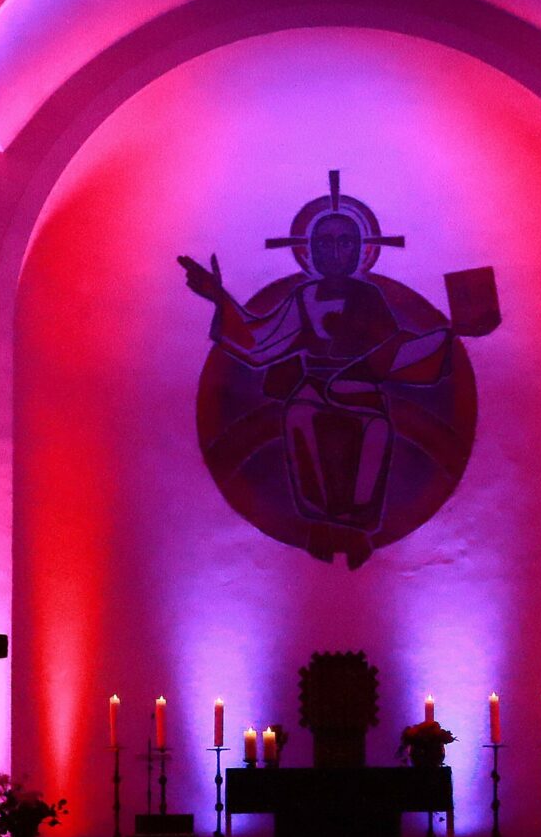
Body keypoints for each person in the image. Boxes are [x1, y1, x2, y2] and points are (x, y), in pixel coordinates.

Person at [179, 184, 454, 568]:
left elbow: (392, 348)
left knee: (375, 428)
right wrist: (218, 297)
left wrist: (444, 337)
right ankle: (320, 522)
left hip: (361, 388)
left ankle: (355, 525)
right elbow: (261, 340)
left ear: (361, 250)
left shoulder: (370, 298)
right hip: (314, 387)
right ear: (310, 251)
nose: (335, 252)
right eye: (325, 243)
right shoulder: (304, 298)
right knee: (299, 416)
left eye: (345, 242)